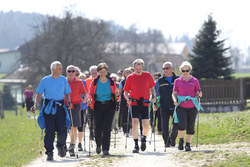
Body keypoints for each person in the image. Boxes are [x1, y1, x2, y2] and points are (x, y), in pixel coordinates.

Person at [31, 61, 72, 161]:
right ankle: (49, 152)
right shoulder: (45, 80)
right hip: (48, 108)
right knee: (49, 132)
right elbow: (39, 94)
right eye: (59, 68)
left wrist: (69, 102)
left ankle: (60, 145)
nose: (61, 70)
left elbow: (67, 93)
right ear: (53, 70)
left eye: (61, 68)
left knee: (63, 130)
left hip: (60, 107)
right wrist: (35, 105)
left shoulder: (63, 80)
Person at [124, 59, 156, 153]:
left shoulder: (147, 75)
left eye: (140, 68)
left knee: (146, 126)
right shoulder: (130, 77)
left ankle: (143, 139)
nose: (138, 70)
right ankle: (136, 145)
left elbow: (152, 89)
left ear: (142, 67)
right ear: (134, 67)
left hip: (145, 103)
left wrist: (153, 96)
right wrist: (127, 99)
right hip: (134, 103)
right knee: (135, 124)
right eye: (136, 69)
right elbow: (125, 92)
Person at [172, 61, 203, 151]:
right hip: (181, 106)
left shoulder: (194, 80)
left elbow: (198, 92)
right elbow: (174, 94)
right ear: (181, 70)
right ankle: (181, 140)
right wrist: (175, 100)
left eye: (187, 70)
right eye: (183, 70)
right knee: (182, 125)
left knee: (191, 126)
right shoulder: (177, 81)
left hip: (192, 106)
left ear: (190, 70)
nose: (185, 72)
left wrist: (200, 94)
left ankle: (188, 144)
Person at [88, 63, 117, 156]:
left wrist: (117, 94)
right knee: (98, 128)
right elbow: (90, 93)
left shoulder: (111, 81)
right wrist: (89, 99)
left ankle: (105, 149)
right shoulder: (95, 82)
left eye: (104, 72)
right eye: (100, 72)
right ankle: (98, 144)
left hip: (109, 105)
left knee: (107, 128)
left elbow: (115, 93)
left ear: (107, 72)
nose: (102, 74)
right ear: (98, 72)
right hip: (98, 106)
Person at [155, 62, 179, 148]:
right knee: (164, 124)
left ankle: (173, 139)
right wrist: (155, 103)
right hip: (163, 105)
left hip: (175, 105)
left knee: (176, 124)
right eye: (164, 68)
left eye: (167, 68)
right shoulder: (160, 81)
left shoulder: (178, 79)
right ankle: (166, 141)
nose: (165, 70)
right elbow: (156, 93)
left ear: (172, 68)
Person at [66, 65, 87, 156]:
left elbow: (84, 93)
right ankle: (69, 142)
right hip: (65, 105)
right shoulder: (63, 81)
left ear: (76, 73)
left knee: (74, 126)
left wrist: (85, 98)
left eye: (73, 71)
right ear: (66, 72)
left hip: (76, 105)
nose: (71, 73)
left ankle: (72, 146)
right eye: (69, 71)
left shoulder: (79, 82)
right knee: (68, 127)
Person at [118, 68, 132, 136]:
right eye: (126, 73)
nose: (127, 74)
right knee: (124, 115)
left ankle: (131, 129)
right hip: (124, 100)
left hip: (132, 100)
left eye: (128, 72)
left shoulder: (133, 80)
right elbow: (120, 91)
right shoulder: (122, 82)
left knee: (131, 115)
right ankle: (125, 130)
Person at [86, 65, 98, 140]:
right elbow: (86, 91)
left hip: (98, 102)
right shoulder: (87, 80)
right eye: (92, 72)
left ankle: (96, 132)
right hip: (90, 102)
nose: (94, 73)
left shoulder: (100, 80)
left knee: (97, 118)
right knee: (90, 118)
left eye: (95, 72)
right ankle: (91, 131)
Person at [77, 72, 89, 151]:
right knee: (71, 127)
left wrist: (85, 98)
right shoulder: (66, 81)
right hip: (71, 107)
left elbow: (87, 92)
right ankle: (72, 143)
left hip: (81, 107)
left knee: (81, 127)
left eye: (76, 73)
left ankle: (80, 143)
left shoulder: (83, 82)